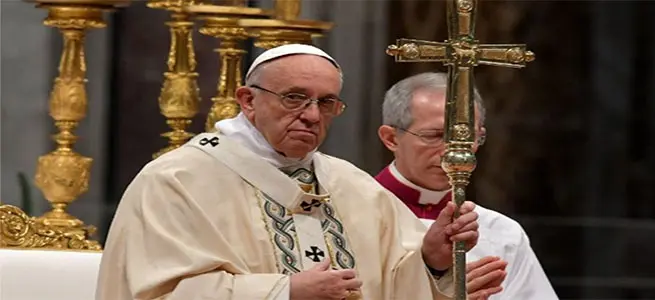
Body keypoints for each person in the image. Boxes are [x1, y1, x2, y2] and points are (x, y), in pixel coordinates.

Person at [95, 45, 481, 300]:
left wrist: (432, 260)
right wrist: (285, 292)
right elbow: (156, 292)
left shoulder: (352, 186)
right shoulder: (176, 181)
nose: (312, 115)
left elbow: (397, 282)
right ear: (248, 100)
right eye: (294, 97)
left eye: (326, 103)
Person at [376, 72, 560, 300]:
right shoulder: (347, 214)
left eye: (465, 139)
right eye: (434, 136)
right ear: (391, 138)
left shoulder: (501, 233)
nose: (452, 153)